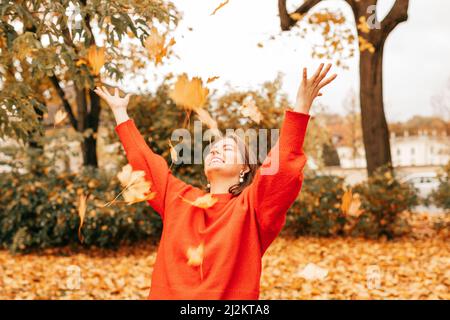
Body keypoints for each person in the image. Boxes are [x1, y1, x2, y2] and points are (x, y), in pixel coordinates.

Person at [94, 63, 337, 299]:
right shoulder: (179, 198)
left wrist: (301, 107)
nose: (216, 151)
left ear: (244, 169)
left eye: (228, 149)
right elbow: (145, 163)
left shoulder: (252, 208)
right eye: (213, 149)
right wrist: (120, 112)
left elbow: (283, 168)